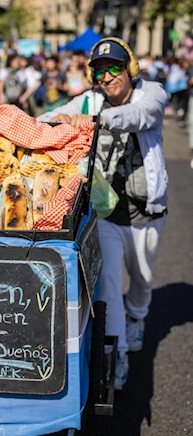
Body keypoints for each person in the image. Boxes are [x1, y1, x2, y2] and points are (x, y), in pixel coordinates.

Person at [37, 37, 168, 390]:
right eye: (99, 72)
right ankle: (116, 355)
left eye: (114, 68)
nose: (107, 77)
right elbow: (48, 117)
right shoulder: (89, 99)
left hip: (145, 210)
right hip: (105, 210)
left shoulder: (151, 93)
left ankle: (138, 316)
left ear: (130, 69)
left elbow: (138, 117)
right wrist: (53, 120)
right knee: (108, 282)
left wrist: (93, 120)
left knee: (141, 277)